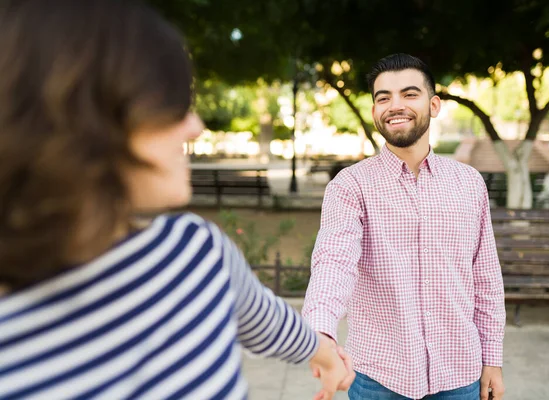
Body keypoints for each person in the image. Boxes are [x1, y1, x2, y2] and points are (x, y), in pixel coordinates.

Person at [0, 1, 353, 399]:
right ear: (81, 116)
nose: (195, 126)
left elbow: (272, 326)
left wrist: (326, 355)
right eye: (170, 102)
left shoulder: (195, 251)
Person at [302, 53, 506, 400]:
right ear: (374, 112)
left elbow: (485, 277)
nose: (395, 105)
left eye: (409, 94)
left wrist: (493, 359)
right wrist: (321, 332)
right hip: (377, 380)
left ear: (434, 104)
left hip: (459, 376)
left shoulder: (469, 183)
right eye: (384, 98)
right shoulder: (350, 186)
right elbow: (333, 262)